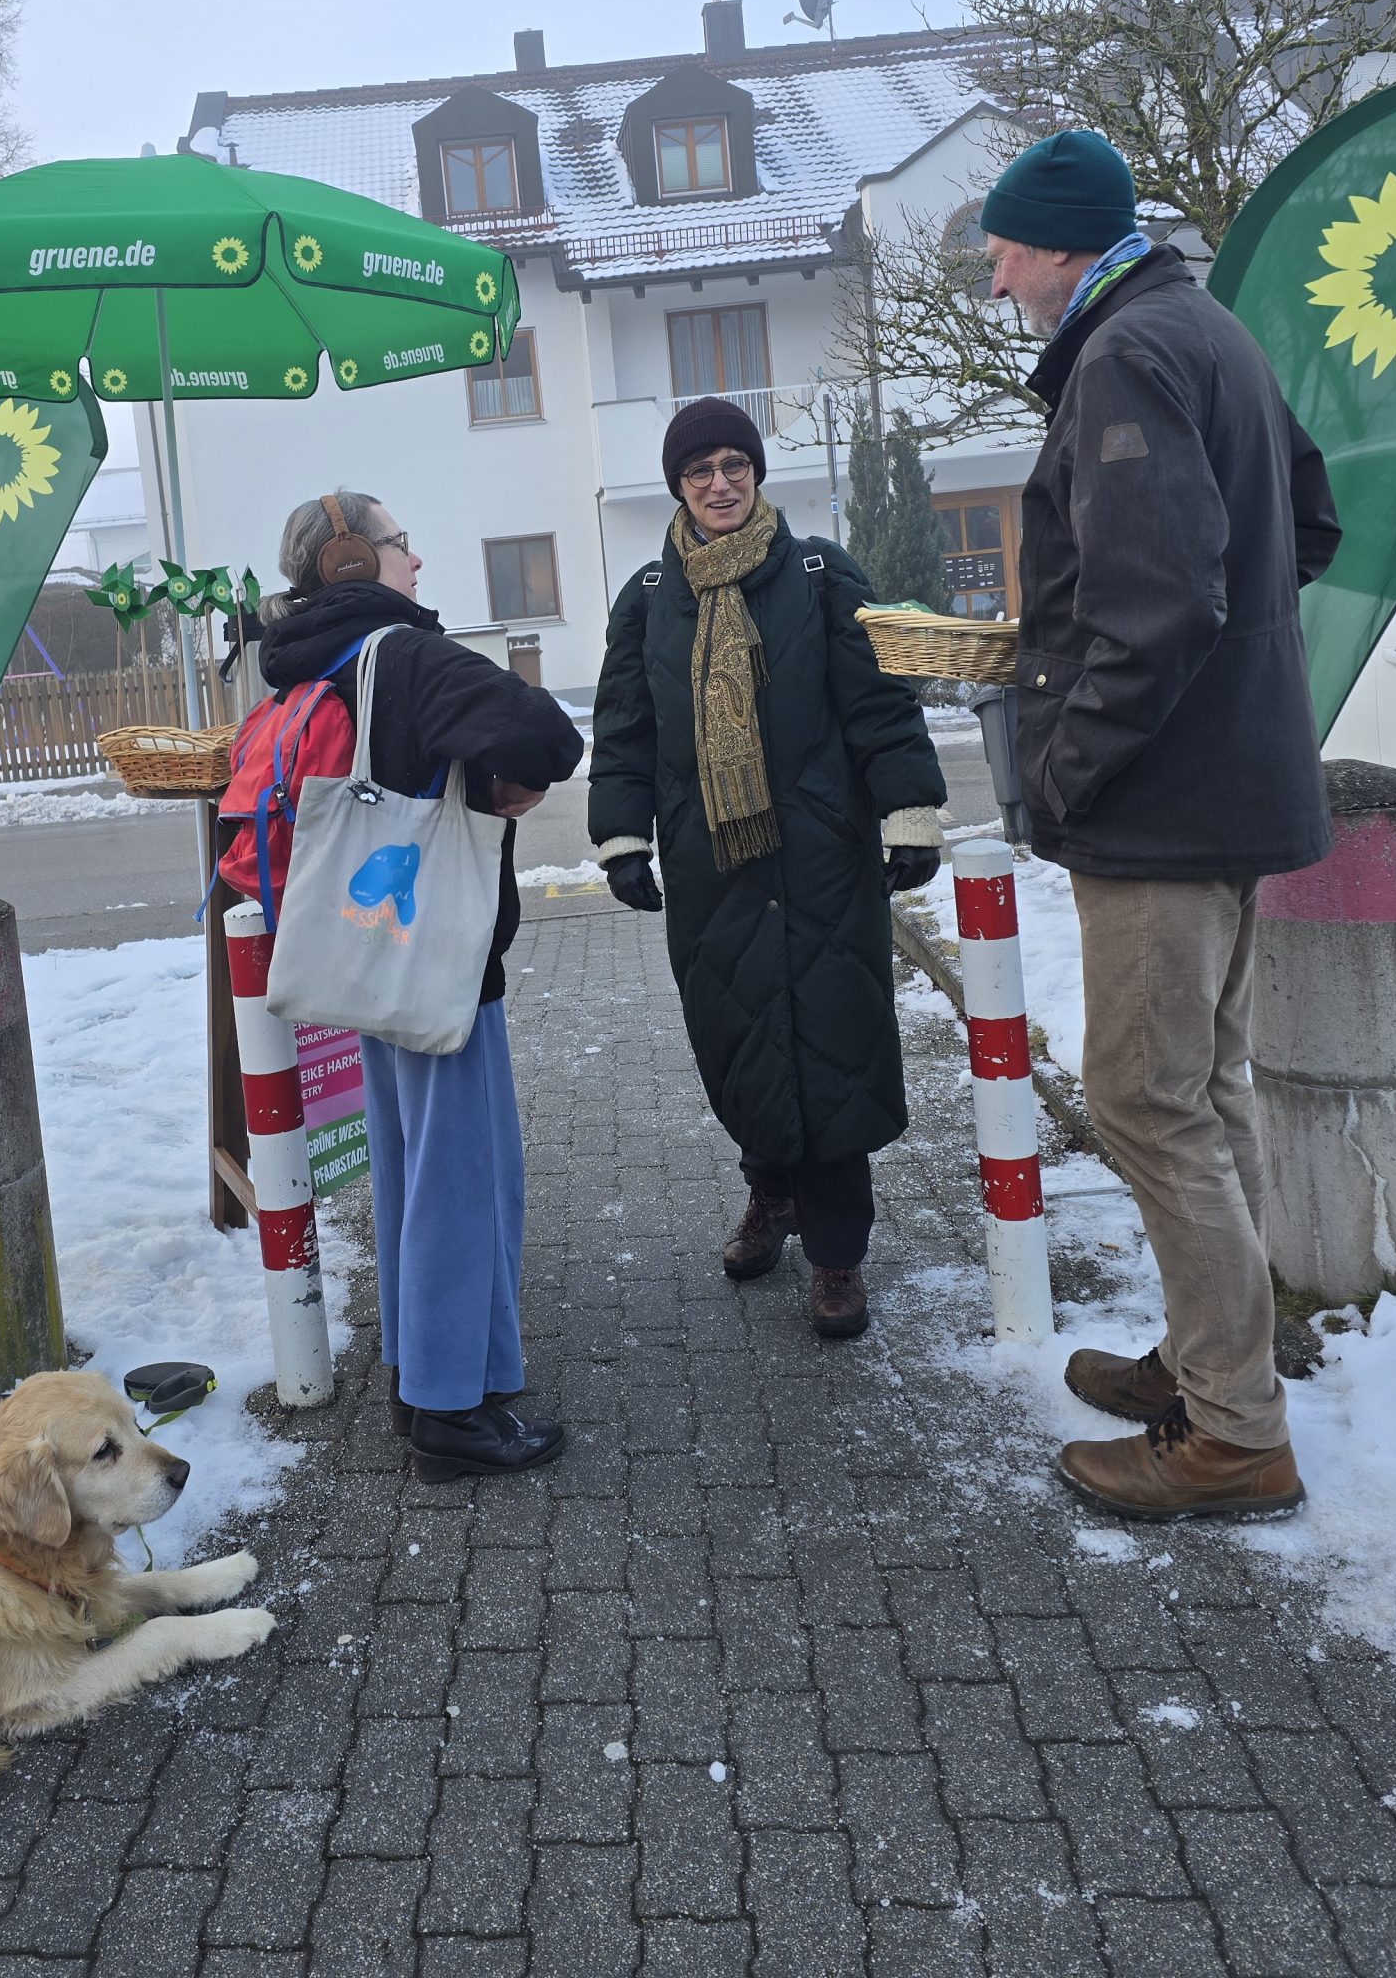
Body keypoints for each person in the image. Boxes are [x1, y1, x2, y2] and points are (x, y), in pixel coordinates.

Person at [983, 128, 1340, 1523]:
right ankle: (1214, 1363)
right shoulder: (1208, 328)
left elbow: (1158, 602)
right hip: (1233, 785)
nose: (997, 278)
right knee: (1205, 1089)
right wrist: (1239, 669)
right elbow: (1305, 527)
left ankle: (1234, 1432)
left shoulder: (1127, 354)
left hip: (1163, 807)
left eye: (1003, 251)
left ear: (1057, 242)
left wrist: (1067, 770)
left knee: (1144, 1101)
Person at [588, 399, 947, 1338]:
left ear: (755, 472)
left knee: (832, 1042)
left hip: (823, 854)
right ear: (678, 485)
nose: (720, 484)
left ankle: (837, 1253)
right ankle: (771, 1194)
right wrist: (623, 839)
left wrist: (908, 813)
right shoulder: (648, 596)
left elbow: (879, 703)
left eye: (734, 465)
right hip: (712, 860)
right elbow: (624, 728)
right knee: (740, 1038)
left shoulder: (820, 573)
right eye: (700, 470)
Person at [254, 490, 584, 1482]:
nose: (417, 561)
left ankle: (423, 1376)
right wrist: (509, 776)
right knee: (461, 1183)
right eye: (401, 543)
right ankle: (450, 1413)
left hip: (368, 960)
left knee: (409, 1174)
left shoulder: (312, 660)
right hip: (437, 965)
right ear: (351, 560)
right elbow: (546, 734)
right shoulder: (402, 653)